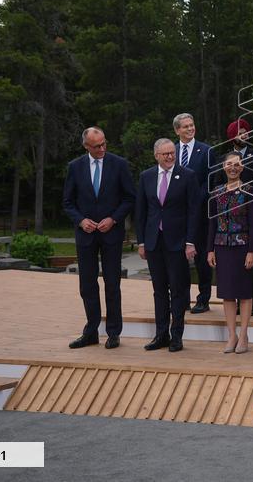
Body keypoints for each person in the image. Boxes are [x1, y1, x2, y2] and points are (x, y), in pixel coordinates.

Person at [63, 127, 135, 350]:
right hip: (85, 235)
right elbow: (67, 202)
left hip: (111, 234)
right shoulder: (75, 167)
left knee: (112, 284)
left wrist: (113, 219)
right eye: (97, 146)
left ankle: (113, 333)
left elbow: (129, 198)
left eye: (104, 143)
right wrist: (81, 220)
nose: (102, 148)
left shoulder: (119, 164)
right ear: (86, 146)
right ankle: (91, 331)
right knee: (87, 285)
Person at [135, 138, 201, 353]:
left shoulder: (188, 176)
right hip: (154, 241)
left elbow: (194, 211)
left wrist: (190, 242)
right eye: (165, 154)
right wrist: (142, 242)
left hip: (178, 243)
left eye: (172, 153)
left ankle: (177, 335)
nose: (170, 156)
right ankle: (161, 334)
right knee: (159, 290)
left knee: (179, 289)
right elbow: (141, 212)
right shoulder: (146, 177)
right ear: (156, 156)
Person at [216, 118, 253, 318]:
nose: (245, 134)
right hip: (228, 220)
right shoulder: (223, 159)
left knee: (252, 257)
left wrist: (250, 199)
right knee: (231, 263)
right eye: (240, 131)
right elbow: (217, 186)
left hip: (252, 214)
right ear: (232, 136)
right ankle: (235, 298)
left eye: (246, 131)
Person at [207, 151, 253, 354]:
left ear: (243, 167)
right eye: (229, 164)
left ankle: (244, 334)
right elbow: (211, 224)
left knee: (245, 293)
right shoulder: (216, 192)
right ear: (223, 167)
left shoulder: (249, 191)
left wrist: (252, 251)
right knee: (227, 294)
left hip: (243, 247)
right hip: (222, 247)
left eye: (237, 164)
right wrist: (210, 249)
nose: (233, 168)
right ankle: (232, 335)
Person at [171, 113, 215, 315]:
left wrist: (197, 199)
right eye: (186, 126)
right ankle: (181, 299)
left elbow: (211, 181)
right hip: (176, 214)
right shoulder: (171, 151)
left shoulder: (206, 151)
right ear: (177, 130)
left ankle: (203, 299)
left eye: (192, 125)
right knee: (179, 259)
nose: (190, 129)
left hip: (200, 213)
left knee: (201, 258)